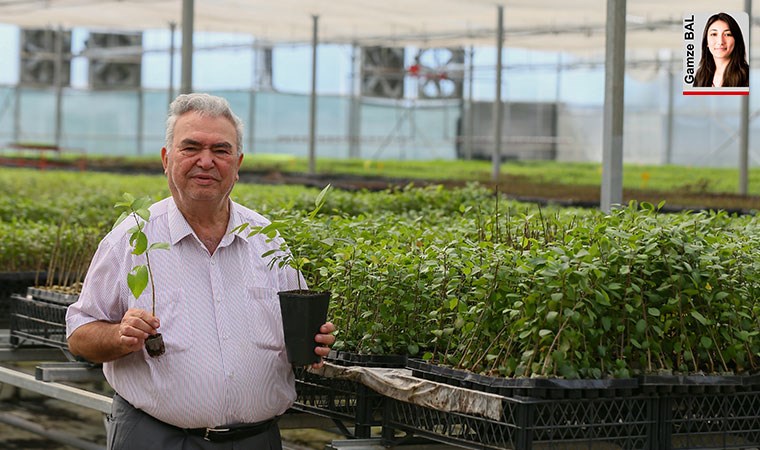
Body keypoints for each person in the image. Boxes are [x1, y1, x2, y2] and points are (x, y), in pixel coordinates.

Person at [66, 93, 336, 450]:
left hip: (257, 440)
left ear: (237, 163)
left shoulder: (266, 241)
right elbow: (79, 335)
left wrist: (316, 342)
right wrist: (119, 335)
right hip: (157, 438)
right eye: (190, 147)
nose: (205, 161)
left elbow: (298, 329)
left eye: (221, 151)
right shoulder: (131, 240)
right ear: (166, 159)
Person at [693, 12, 749, 88]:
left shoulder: (748, 76)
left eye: (727, 34)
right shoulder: (700, 76)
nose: (720, 42)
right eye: (714, 34)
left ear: (736, 40)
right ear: (706, 42)